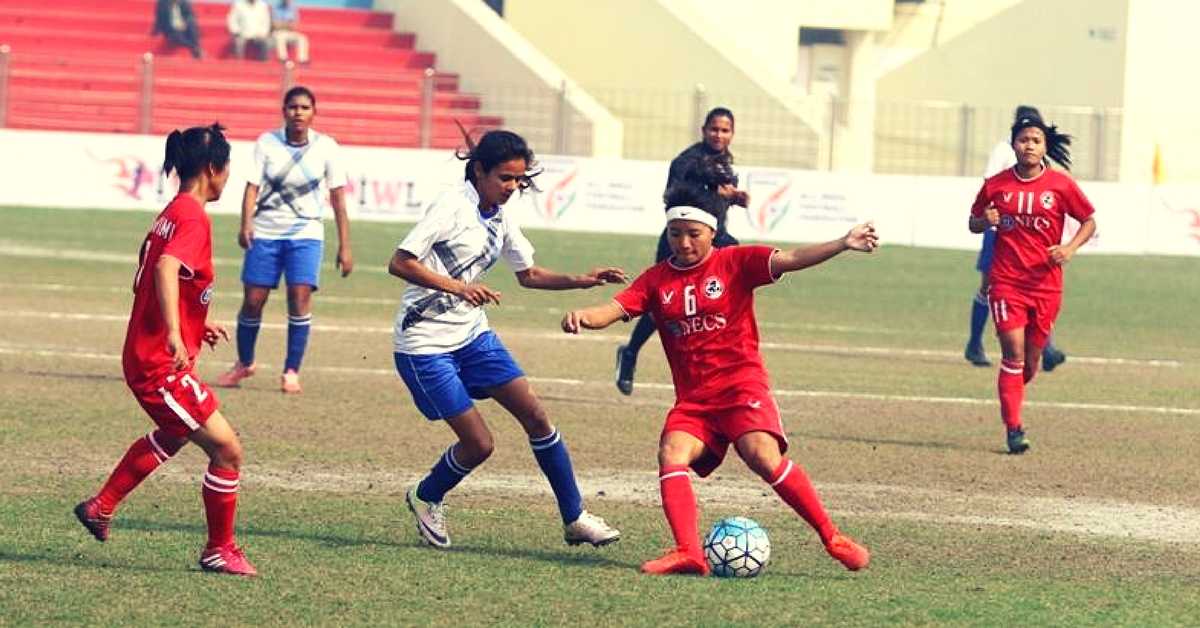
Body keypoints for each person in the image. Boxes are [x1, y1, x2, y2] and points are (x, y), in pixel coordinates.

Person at [562, 184, 876, 576]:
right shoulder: (657, 279)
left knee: (761, 456)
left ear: (712, 231)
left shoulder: (736, 262)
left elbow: (793, 257)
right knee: (671, 453)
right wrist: (582, 317)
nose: (684, 242)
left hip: (741, 387)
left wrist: (844, 242)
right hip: (695, 401)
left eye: (693, 233)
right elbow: (613, 308)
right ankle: (689, 552)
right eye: (676, 233)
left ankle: (833, 537)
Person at [389, 128, 623, 551]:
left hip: (472, 336)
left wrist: (583, 280)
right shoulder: (451, 206)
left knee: (536, 416)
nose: (513, 187)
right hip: (425, 343)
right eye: (505, 178)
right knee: (479, 445)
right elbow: (400, 262)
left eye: (518, 179)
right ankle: (426, 496)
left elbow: (528, 274)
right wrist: (459, 288)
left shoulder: (499, 212)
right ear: (479, 170)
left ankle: (575, 518)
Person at [73, 124, 256, 577]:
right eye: (228, 168)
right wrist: (176, 332)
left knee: (175, 433)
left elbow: (164, 274)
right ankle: (219, 549)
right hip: (158, 362)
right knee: (228, 451)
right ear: (213, 169)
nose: (229, 177)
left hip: (145, 354)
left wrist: (196, 320)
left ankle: (102, 505)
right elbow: (169, 268)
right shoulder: (193, 216)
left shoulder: (172, 211)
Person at [968, 110, 1097, 454]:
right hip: (1006, 282)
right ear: (1013, 145)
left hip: (1046, 286)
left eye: (1036, 141)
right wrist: (984, 219)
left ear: (1044, 147)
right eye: (1023, 140)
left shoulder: (1061, 185)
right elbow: (973, 222)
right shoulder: (996, 185)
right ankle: (1014, 429)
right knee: (1013, 353)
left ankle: (1012, 395)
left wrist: (1069, 248)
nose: (1029, 145)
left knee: (1029, 364)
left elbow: (1089, 221)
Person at [216, 86, 352, 394]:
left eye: (304, 107)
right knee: (253, 301)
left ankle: (291, 370)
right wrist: (245, 223)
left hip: (306, 233)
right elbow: (252, 187)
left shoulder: (327, 147)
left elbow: (339, 198)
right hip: (265, 232)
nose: (298, 112)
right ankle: (244, 363)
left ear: (313, 113)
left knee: (300, 297)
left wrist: (345, 245)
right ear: (284, 111)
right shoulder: (267, 143)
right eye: (293, 107)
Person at [615, 107, 750, 395]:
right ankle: (629, 354)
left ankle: (718, 362)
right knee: (662, 303)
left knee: (719, 290)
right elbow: (675, 202)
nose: (719, 134)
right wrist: (718, 193)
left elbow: (719, 205)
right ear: (703, 130)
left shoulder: (725, 163)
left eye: (725, 130)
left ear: (732, 134)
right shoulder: (687, 162)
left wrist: (734, 198)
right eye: (714, 129)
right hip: (679, 240)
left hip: (714, 239)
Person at [965, 104, 1067, 372]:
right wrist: (988, 220)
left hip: (1031, 236)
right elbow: (989, 187)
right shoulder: (1003, 150)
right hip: (1000, 232)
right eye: (1025, 135)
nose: (1030, 142)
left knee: (1040, 284)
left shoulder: (1038, 155)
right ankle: (974, 343)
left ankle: (1047, 346)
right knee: (990, 286)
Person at [270, 0, 310, 65]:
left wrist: (283, 24)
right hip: (278, 32)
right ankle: (282, 58)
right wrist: (288, 24)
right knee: (280, 37)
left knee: (302, 38)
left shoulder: (293, 8)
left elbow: (295, 25)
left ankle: (302, 59)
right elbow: (275, 25)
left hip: (290, 32)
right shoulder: (275, 7)